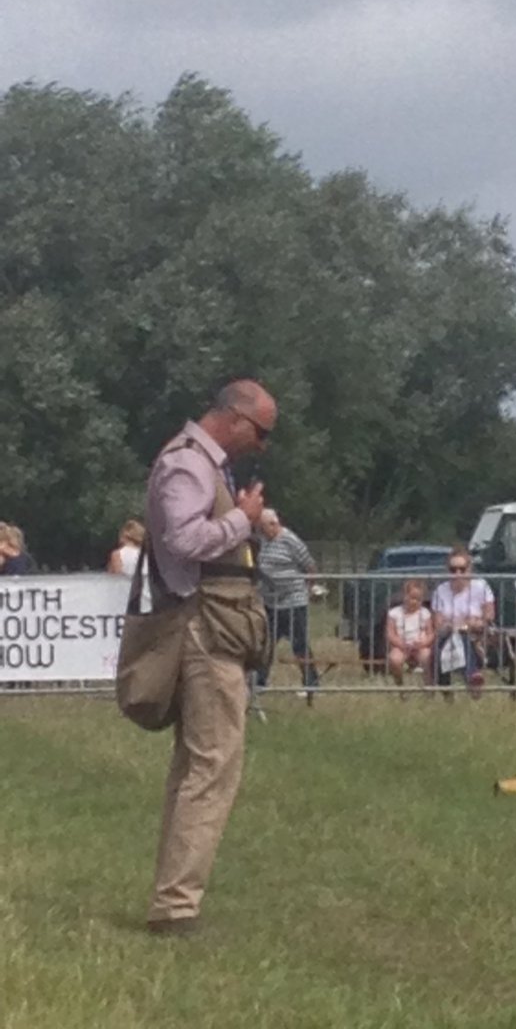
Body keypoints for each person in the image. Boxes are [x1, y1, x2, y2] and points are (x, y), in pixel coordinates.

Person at [142, 378, 276, 936]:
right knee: (212, 765)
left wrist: (253, 525)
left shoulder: (203, 465)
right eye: (262, 432)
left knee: (199, 765)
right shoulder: (187, 464)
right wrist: (241, 520)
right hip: (205, 628)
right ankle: (176, 906)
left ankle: (174, 900)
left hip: (213, 625)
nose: (263, 445)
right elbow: (182, 540)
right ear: (237, 418)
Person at [255, 507, 319, 694]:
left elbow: (310, 566)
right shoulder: (263, 542)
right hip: (270, 602)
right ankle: (259, 682)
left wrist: (308, 589)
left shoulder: (290, 540)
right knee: (266, 645)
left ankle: (311, 684)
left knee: (299, 644)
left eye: (263, 528)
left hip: (293, 602)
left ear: (274, 524)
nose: (261, 532)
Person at [431, 549, 495, 695]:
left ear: (470, 569)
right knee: (443, 646)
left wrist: (474, 623)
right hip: (448, 634)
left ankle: (472, 681)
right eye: (453, 570)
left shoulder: (481, 586)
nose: (458, 574)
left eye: (462, 569)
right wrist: (457, 625)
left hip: (476, 636)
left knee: (464, 637)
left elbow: (489, 616)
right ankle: (465, 683)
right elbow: (438, 622)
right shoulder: (440, 590)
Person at [386, 579, 434, 691]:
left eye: (418, 599)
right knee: (395, 659)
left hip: (420, 645)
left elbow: (431, 633)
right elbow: (390, 633)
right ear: (404, 596)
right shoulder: (394, 613)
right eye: (412, 598)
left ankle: (428, 687)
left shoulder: (425, 613)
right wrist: (401, 644)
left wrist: (424, 643)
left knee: (427, 657)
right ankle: (400, 686)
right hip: (401, 645)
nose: (414, 602)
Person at [108, 519, 151, 610]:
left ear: (125, 535)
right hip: (148, 600)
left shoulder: (117, 555)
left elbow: (114, 581)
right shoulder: (148, 555)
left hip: (127, 600)